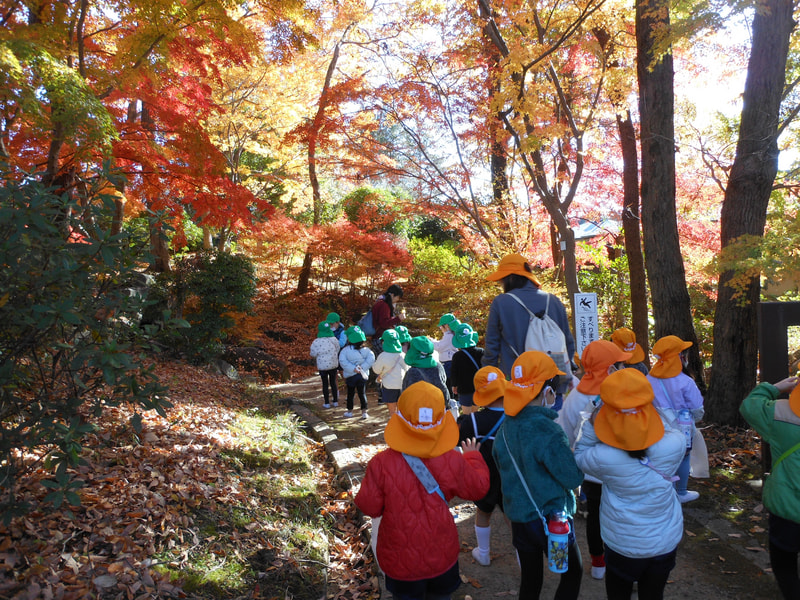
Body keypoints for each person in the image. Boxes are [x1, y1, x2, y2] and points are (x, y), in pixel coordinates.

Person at [354, 381, 490, 600]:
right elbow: (478, 488)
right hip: (441, 553)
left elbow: (369, 506)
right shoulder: (452, 459)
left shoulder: (381, 463)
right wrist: (473, 457)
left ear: (401, 414)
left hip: (400, 558)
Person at [574, 368, 685, 600]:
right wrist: (648, 404)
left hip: (622, 543)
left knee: (618, 593)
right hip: (664, 541)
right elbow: (672, 424)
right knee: (654, 594)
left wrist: (595, 419)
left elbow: (580, 454)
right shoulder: (674, 444)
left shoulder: (604, 456)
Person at [492, 351, 584, 600]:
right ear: (548, 392)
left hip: (521, 519)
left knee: (531, 580)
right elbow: (572, 477)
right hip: (552, 521)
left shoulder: (506, 427)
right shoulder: (547, 431)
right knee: (572, 572)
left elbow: (501, 463)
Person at [556, 339, 633, 580]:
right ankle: (622, 561)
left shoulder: (575, 396)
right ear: (609, 368)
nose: (621, 367)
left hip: (589, 470)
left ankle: (598, 563)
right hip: (622, 468)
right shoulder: (623, 392)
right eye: (617, 363)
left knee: (595, 516)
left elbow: (565, 434)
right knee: (622, 516)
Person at [483, 253, 575, 408]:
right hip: (552, 386)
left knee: (519, 430)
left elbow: (492, 348)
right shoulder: (554, 301)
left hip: (516, 385)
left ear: (511, 278)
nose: (500, 284)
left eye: (501, 280)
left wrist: (488, 379)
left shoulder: (501, 303)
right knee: (551, 429)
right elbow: (568, 343)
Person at [740, 374, 800, 600]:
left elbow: (750, 406)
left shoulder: (781, 413)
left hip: (786, 507)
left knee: (784, 564)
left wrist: (774, 388)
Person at [647, 335, 705, 503]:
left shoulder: (649, 378)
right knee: (683, 457)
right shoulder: (685, 381)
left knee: (662, 458)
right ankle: (681, 492)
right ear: (679, 357)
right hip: (682, 427)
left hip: (656, 426)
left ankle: (667, 492)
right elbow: (697, 408)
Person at [458, 366, 507, 567]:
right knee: (513, 518)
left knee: (483, 512)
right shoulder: (517, 416)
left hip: (484, 475)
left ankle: (484, 553)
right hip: (510, 476)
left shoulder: (472, 422)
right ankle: (525, 559)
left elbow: (459, 445)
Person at [402, 336, 451, 407]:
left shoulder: (412, 372)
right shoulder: (438, 366)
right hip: (438, 407)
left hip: (418, 410)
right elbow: (443, 385)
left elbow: (405, 394)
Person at [339, 326, 376, 419]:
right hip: (362, 375)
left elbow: (342, 361)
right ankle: (364, 412)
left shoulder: (345, 350)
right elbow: (371, 359)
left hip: (351, 375)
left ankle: (349, 411)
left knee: (350, 394)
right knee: (362, 393)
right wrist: (362, 368)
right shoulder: (367, 350)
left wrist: (353, 368)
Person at [450, 323, 484, 415]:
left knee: (466, 416)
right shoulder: (481, 352)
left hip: (464, 389)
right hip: (478, 388)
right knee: (475, 413)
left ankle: (468, 428)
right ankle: (475, 428)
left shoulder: (457, 356)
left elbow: (454, 372)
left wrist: (454, 385)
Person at [372, 329, 408, 415]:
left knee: (392, 411)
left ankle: (394, 426)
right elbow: (408, 369)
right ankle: (402, 426)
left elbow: (376, 370)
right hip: (402, 385)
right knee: (402, 410)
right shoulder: (402, 355)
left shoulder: (383, 356)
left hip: (388, 386)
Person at [309, 320, 342, 409]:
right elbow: (338, 348)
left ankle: (327, 402)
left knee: (325, 384)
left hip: (322, 366)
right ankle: (335, 401)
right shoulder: (334, 339)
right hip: (333, 364)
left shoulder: (316, 341)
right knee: (333, 382)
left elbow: (313, 353)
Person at [433, 313, 459, 390]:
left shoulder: (449, 335)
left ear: (447, 326)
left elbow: (440, 347)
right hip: (450, 361)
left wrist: (430, 342)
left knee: (447, 383)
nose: (441, 328)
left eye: (441, 327)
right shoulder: (452, 334)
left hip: (448, 363)